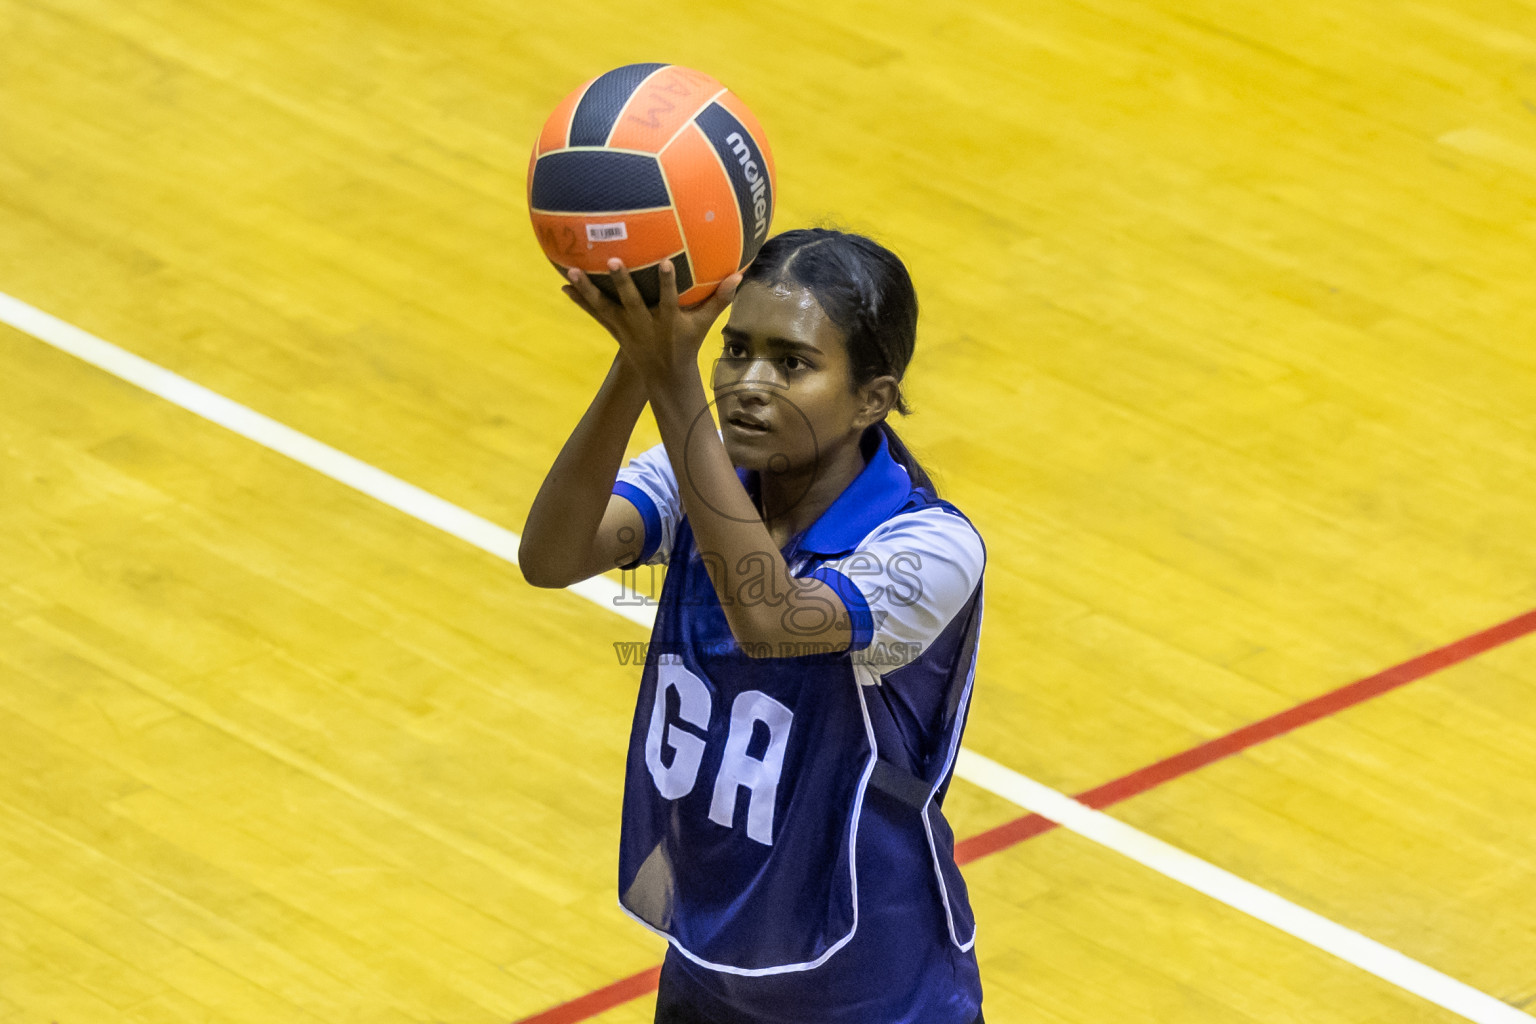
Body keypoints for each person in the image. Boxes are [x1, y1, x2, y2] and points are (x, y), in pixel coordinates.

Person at [520, 228, 986, 1024]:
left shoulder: (929, 546)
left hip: (872, 988)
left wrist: (673, 384)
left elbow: (768, 617)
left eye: (791, 362)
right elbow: (552, 555)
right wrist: (639, 360)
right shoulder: (694, 473)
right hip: (712, 963)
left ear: (872, 397)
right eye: (733, 350)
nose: (747, 383)